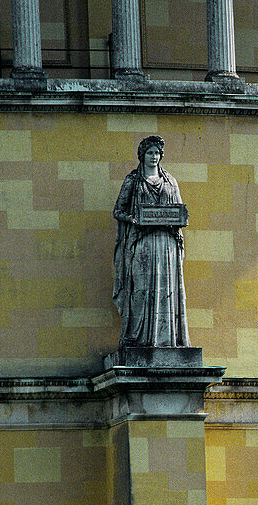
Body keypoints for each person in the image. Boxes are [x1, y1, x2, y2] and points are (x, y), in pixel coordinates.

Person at [112, 135, 190, 348]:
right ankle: (138, 339)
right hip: (143, 242)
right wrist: (133, 219)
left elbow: (179, 210)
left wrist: (180, 219)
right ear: (142, 155)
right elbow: (118, 210)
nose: (154, 156)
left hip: (167, 245)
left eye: (157, 153)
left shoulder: (170, 182)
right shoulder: (132, 180)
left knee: (167, 291)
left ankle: (167, 340)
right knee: (141, 290)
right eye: (150, 152)